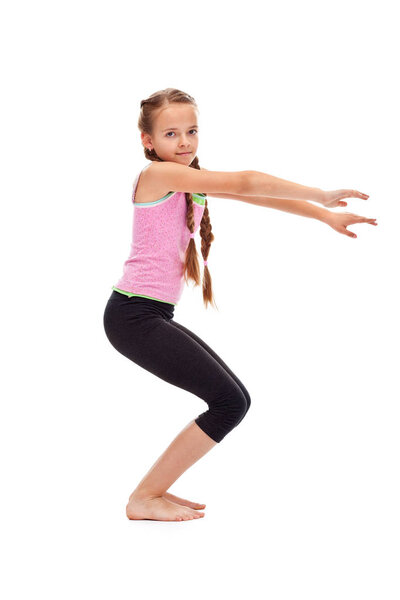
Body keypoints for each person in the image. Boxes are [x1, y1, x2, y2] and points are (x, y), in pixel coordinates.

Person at [103, 87, 377, 522]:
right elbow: (247, 180)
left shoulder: (186, 179)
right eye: (171, 134)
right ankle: (145, 497)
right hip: (132, 315)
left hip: (147, 314)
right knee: (228, 401)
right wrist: (319, 193)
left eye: (191, 130)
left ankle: (150, 493)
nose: (185, 142)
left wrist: (324, 216)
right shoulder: (157, 175)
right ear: (147, 141)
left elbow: (254, 195)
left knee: (234, 399)